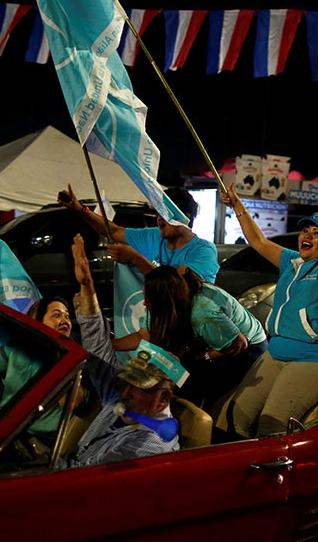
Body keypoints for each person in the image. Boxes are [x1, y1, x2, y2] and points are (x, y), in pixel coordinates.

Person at [220, 182, 318, 438]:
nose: (307, 236)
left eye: (317, 233)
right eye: (305, 230)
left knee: (272, 426)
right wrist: (237, 205)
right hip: (276, 352)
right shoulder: (292, 261)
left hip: (315, 358)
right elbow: (258, 241)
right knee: (234, 418)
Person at [57, 234, 185, 468]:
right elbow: (98, 350)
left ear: (163, 398)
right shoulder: (126, 402)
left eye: (137, 388)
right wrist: (87, 288)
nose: (125, 392)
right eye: (127, 382)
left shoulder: (149, 446)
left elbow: (90, 478)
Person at [116, 265, 268, 410]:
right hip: (213, 341)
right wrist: (110, 344)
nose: (144, 303)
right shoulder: (162, 301)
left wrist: (202, 357)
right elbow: (144, 336)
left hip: (245, 348)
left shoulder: (203, 313)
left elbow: (238, 345)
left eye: (148, 298)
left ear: (164, 299)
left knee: (200, 387)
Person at [0, 295, 82, 442]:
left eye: (67, 316)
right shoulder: (17, 351)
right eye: (57, 315)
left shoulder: (77, 360)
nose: (65, 321)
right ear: (38, 321)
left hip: (49, 445)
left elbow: (75, 403)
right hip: (10, 434)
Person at [57, 184, 219, 283]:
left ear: (185, 218)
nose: (159, 219)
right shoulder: (153, 236)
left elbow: (176, 286)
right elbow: (114, 231)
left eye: (166, 214)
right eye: (158, 213)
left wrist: (135, 258)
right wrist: (81, 210)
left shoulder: (204, 251)